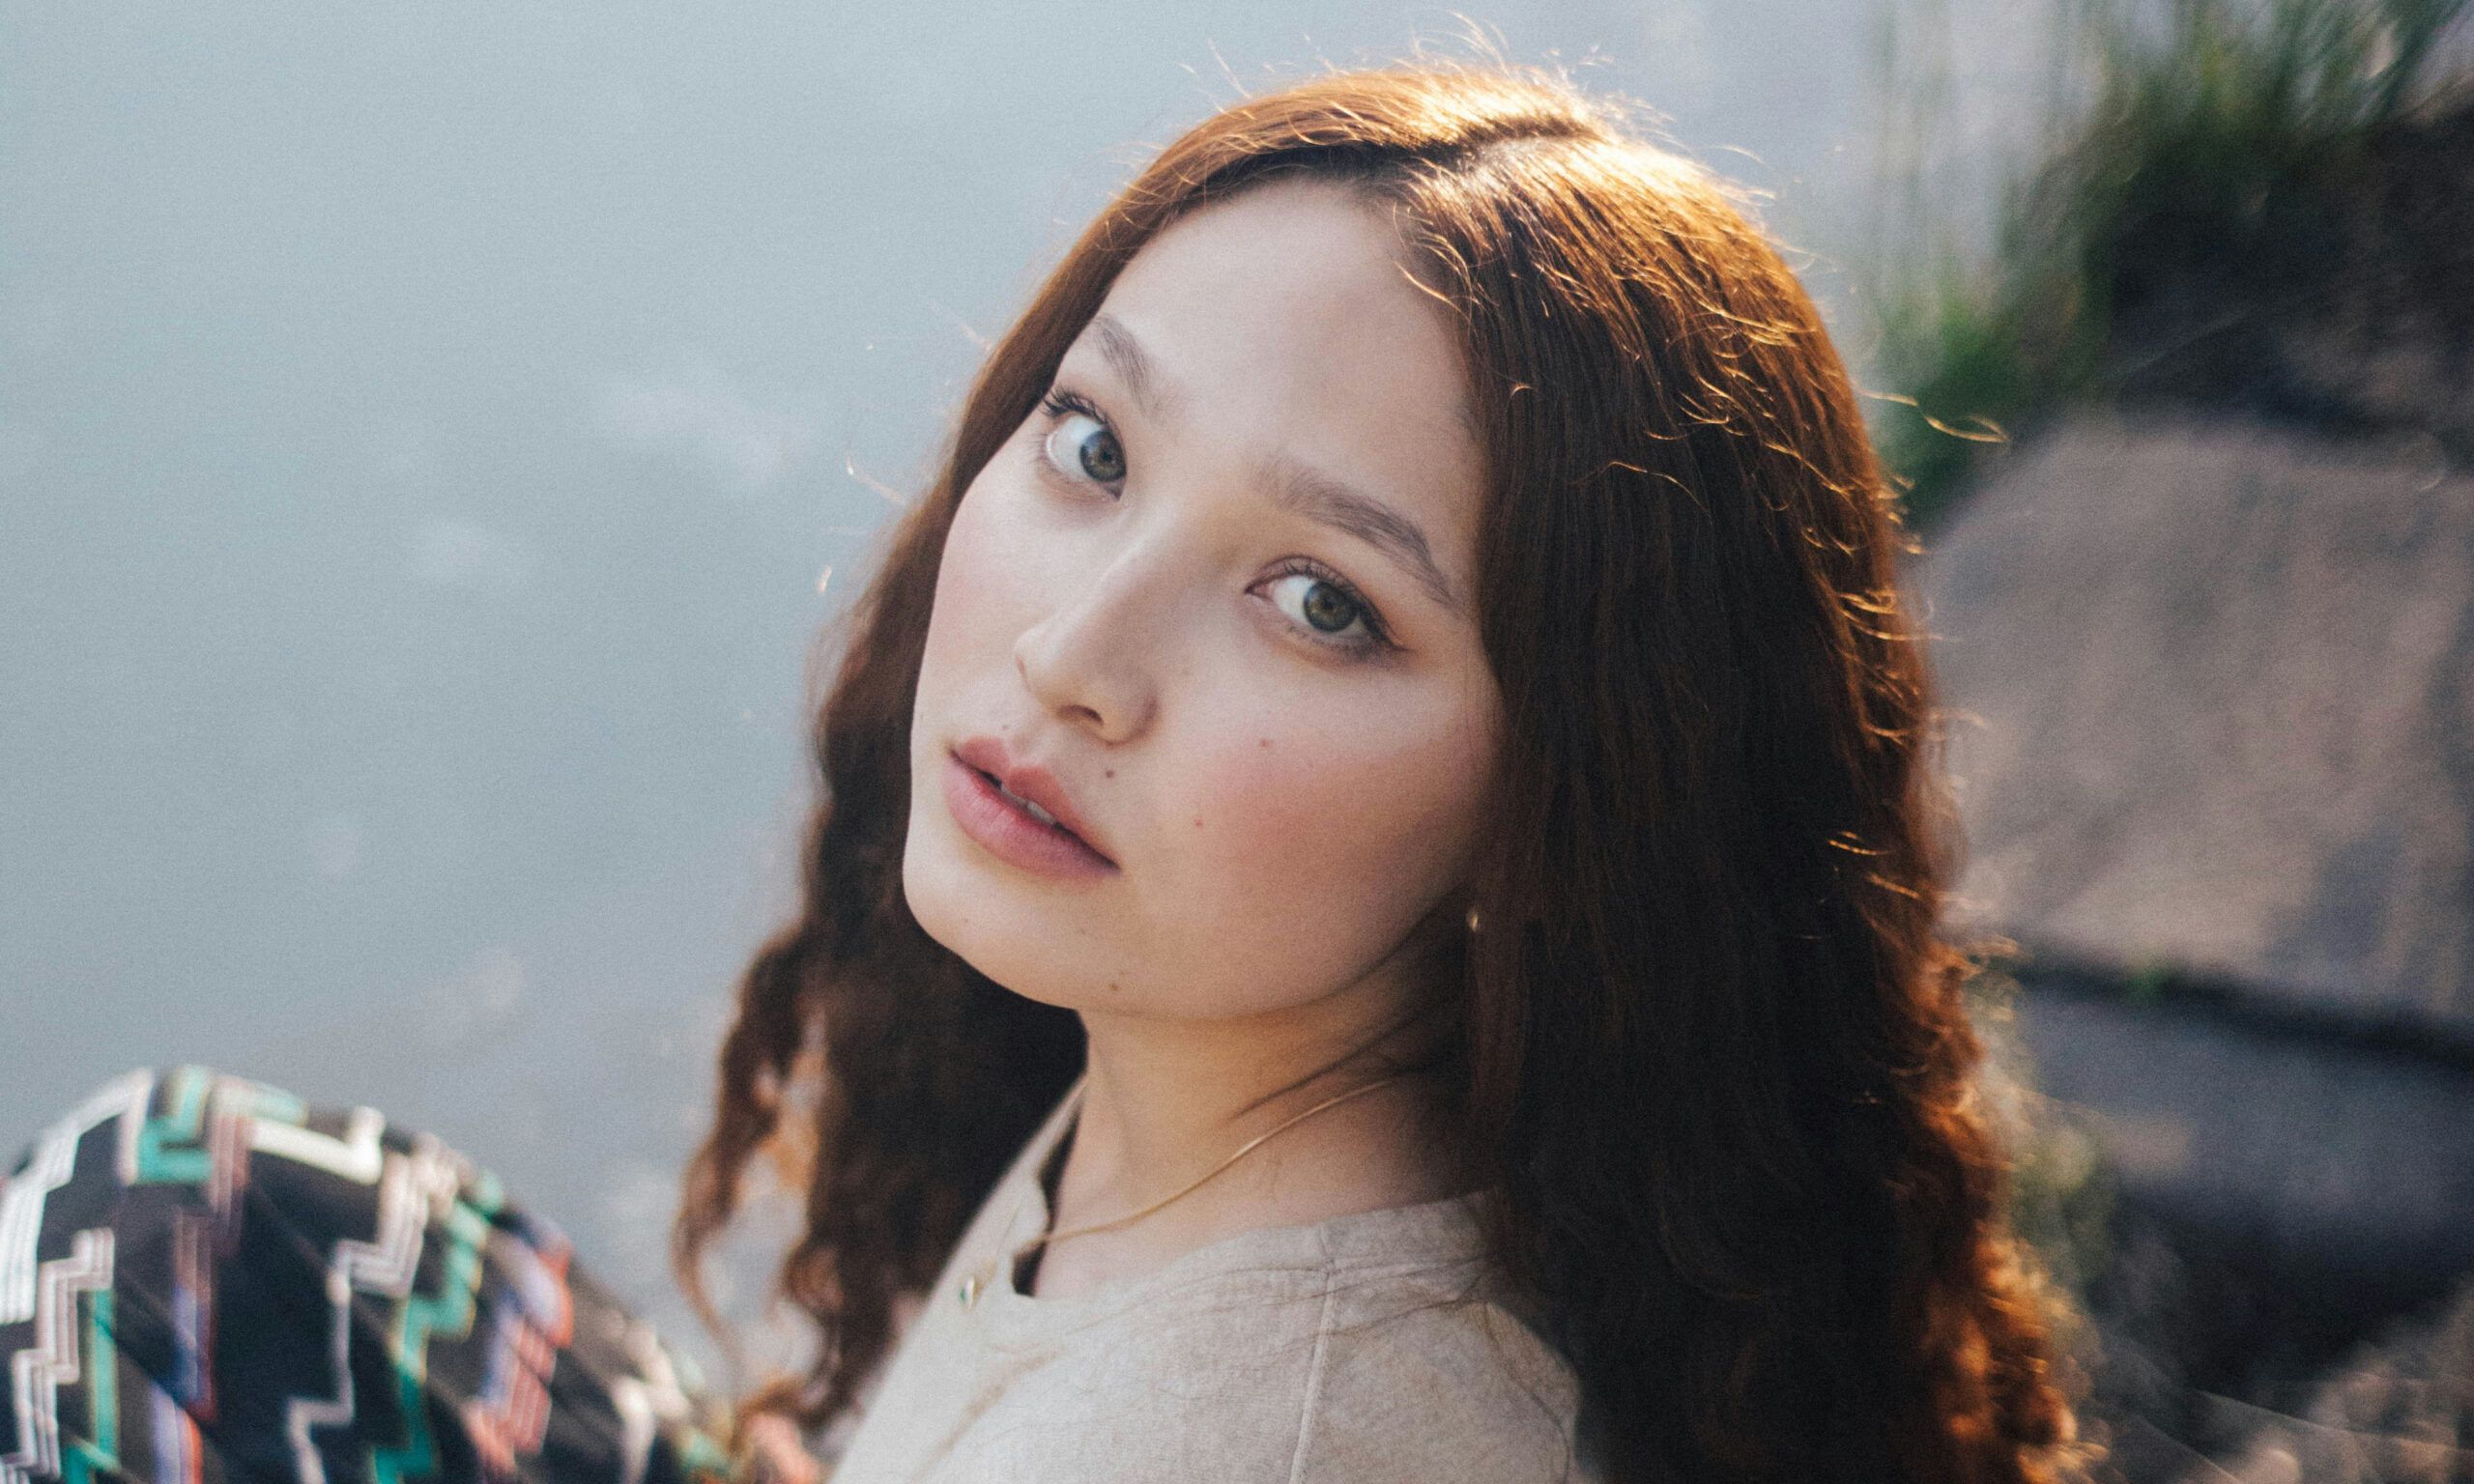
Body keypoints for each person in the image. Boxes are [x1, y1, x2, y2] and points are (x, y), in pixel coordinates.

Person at [5, 56, 2096, 1484]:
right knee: (189, 1217)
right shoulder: (1286, 1101)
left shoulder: (1255, 1433)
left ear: (1565, 811)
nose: (1073, 654)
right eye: (1093, 449)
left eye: (1320, 604)